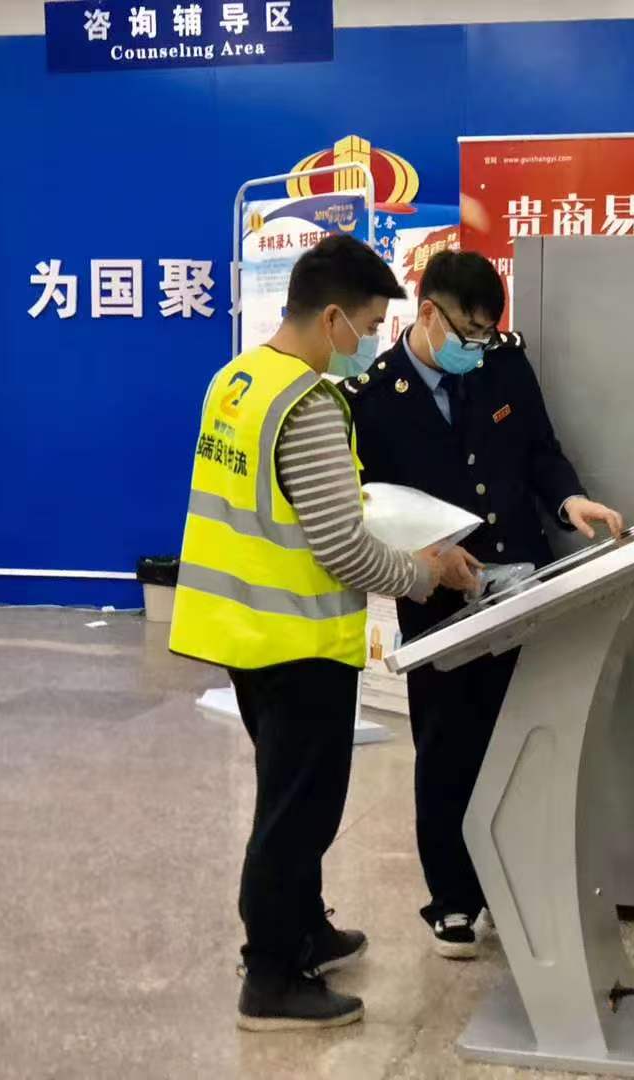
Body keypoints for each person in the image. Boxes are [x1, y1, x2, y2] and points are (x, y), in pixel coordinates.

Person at [169, 235, 475, 1032]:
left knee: (286, 792)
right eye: (368, 326)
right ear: (333, 318)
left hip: (242, 630)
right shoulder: (307, 405)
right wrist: (427, 572)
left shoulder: (239, 379)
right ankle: (271, 976)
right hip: (298, 640)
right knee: (297, 814)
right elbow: (342, 548)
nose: (369, 342)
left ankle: (305, 928)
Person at [344, 250, 624, 958]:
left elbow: (539, 452)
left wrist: (569, 499)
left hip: (523, 584)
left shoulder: (504, 365)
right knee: (448, 747)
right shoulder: (372, 397)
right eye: (467, 334)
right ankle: (453, 898)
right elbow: (370, 506)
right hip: (440, 597)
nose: (477, 348)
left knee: (524, 738)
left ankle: (515, 883)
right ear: (427, 314)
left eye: (486, 335)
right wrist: (428, 561)